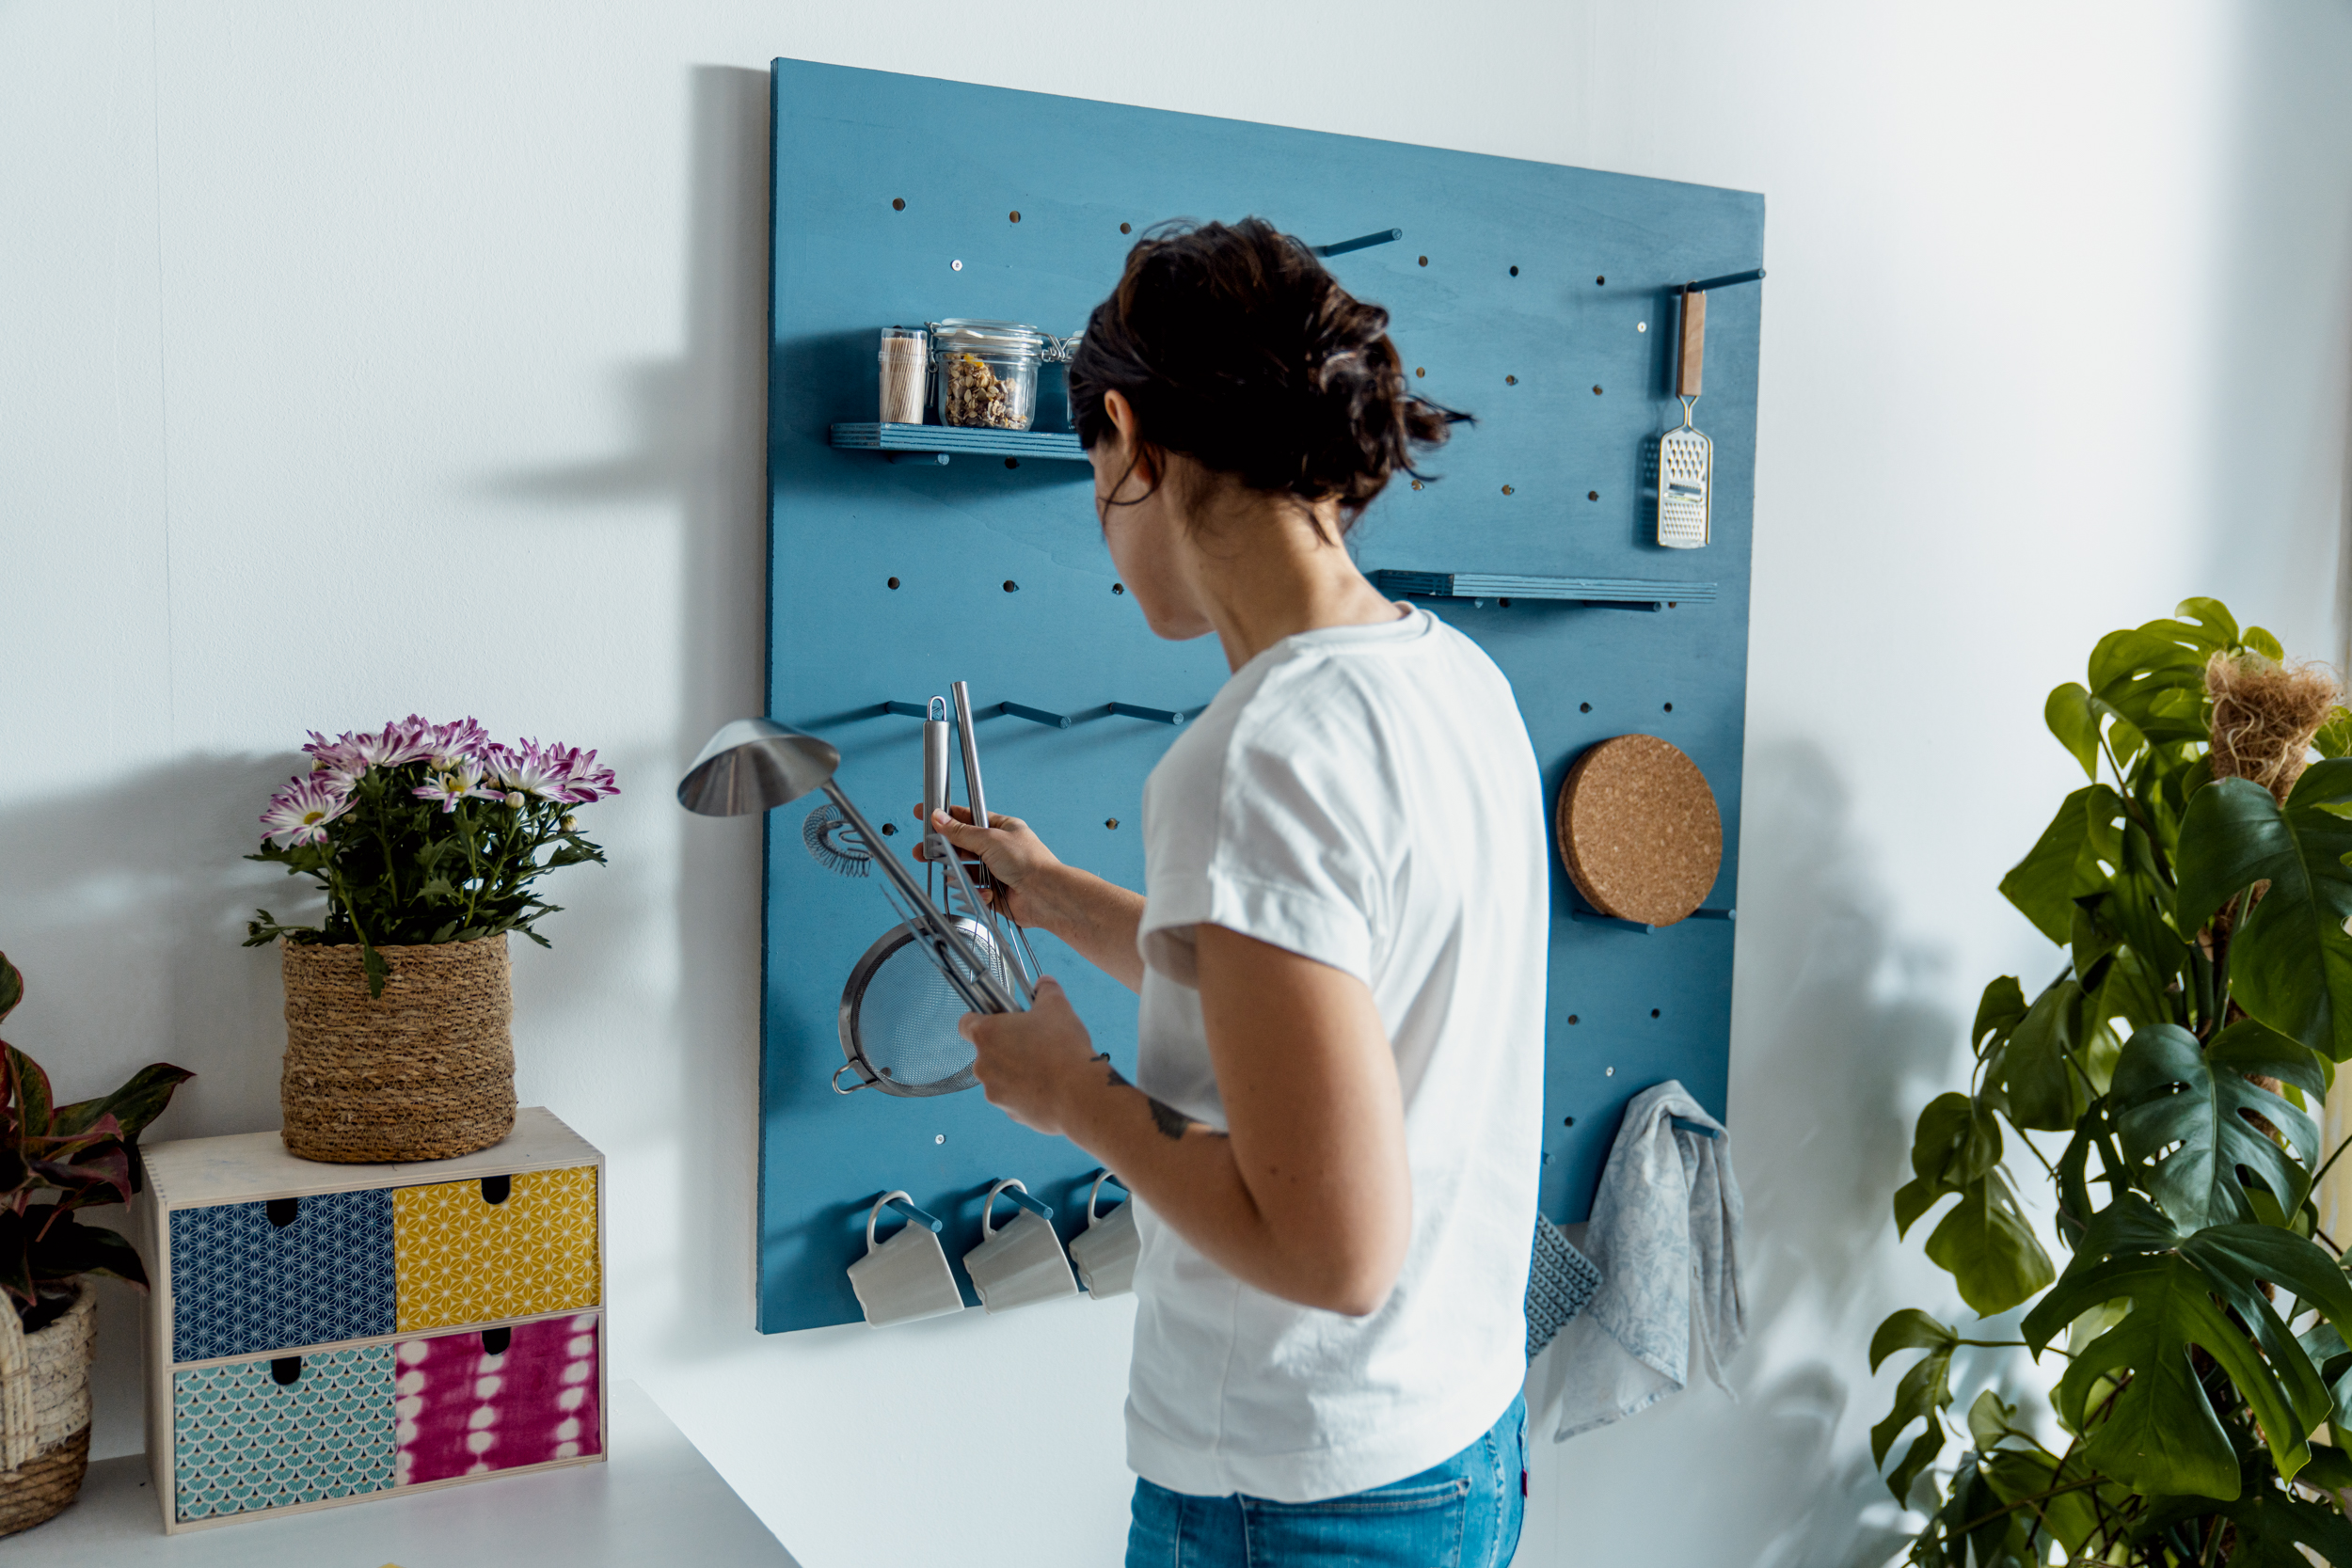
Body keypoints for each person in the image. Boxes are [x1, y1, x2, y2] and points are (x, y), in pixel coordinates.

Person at [924, 218, 1547, 1568]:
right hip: (1454, 1437)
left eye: (1093, 473)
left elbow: (1330, 1252)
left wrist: (1072, 1094)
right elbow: (1317, 1010)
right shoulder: (1452, 680)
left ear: (1129, 439)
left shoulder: (1254, 751)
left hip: (1294, 1494)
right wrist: (1050, 893)